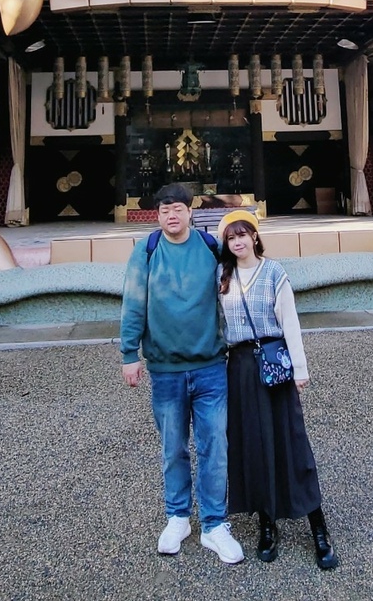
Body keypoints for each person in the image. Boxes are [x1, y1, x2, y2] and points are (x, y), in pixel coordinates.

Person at [120, 184, 244, 564]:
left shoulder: (210, 247)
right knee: (173, 448)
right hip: (166, 369)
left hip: (210, 366)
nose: (171, 216)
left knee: (214, 447)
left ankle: (213, 524)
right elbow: (133, 300)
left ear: (190, 212)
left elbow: (240, 280)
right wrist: (130, 353)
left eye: (177, 209)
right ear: (157, 216)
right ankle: (177, 517)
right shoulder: (147, 250)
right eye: (163, 210)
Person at [216, 209, 338, 569]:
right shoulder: (222, 276)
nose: (238, 242)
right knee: (253, 443)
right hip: (238, 368)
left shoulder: (274, 273)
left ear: (255, 236)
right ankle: (266, 522)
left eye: (243, 234)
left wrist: (300, 369)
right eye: (231, 237)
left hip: (273, 364)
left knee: (290, 441)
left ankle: (318, 525)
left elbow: (290, 323)